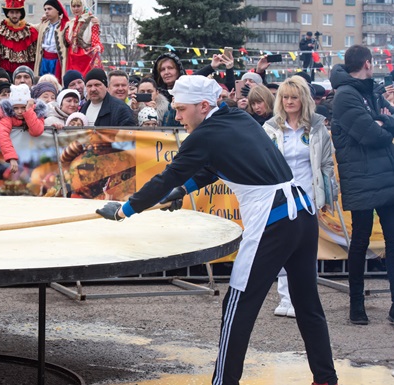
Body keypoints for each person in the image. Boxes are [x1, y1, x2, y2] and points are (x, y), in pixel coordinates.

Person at [95, 75, 339, 385]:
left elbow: (165, 177)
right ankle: (326, 379)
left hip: (273, 220)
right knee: (307, 304)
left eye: (182, 110)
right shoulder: (236, 116)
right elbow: (214, 167)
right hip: (301, 214)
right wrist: (183, 191)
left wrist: (124, 210)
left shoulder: (205, 135)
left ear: (203, 106)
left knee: (237, 306)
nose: (177, 116)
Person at [329, 45, 394, 325]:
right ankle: (357, 304)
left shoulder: (372, 91)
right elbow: (371, 135)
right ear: (367, 63)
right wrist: (381, 124)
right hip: (362, 179)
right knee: (360, 242)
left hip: (387, 177)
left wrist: (384, 121)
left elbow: (386, 122)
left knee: (393, 242)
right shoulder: (345, 95)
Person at [262, 76, 337, 319]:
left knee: (305, 251)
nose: (289, 101)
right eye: (285, 97)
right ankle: (285, 298)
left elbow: (326, 164)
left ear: (303, 99)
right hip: (280, 197)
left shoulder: (318, 128)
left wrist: (327, 197)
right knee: (283, 249)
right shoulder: (270, 128)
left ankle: (302, 300)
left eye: (294, 97)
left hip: (308, 196)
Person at [0, 84, 47, 174]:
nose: (19, 111)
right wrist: (11, 157)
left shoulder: (36, 113)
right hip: (17, 157)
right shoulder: (7, 116)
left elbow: (36, 131)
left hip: (36, 157)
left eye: (23, 107)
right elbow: (2, 135)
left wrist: (28, 111)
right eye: (15, 108)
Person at [0, 0, 38, 76]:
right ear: (8, 14)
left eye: (17, 12)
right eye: (12, 12)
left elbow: (38, 55)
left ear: (21, 14)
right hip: (5, 76)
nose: (14, 15)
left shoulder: (30, 32)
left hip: (26, 75)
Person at [64, 0, 103, 77]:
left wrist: (97, 48)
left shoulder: (92, 20)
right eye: (73, 6)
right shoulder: (71, 23)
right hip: (72, 57)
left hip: (85, 58)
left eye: (78, 6)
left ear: (84, 6)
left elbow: (95, 40)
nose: (76, 9)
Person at [34, 0, 69, 83]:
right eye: (45, 9)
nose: (46, 12)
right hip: (43, 61)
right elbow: (30, 27)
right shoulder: (43, 24)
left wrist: (92, 19)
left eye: (49, 9)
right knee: (42, 83)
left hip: (57, 62)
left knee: (56, 83)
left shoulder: (66, 25)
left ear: (57, 10)